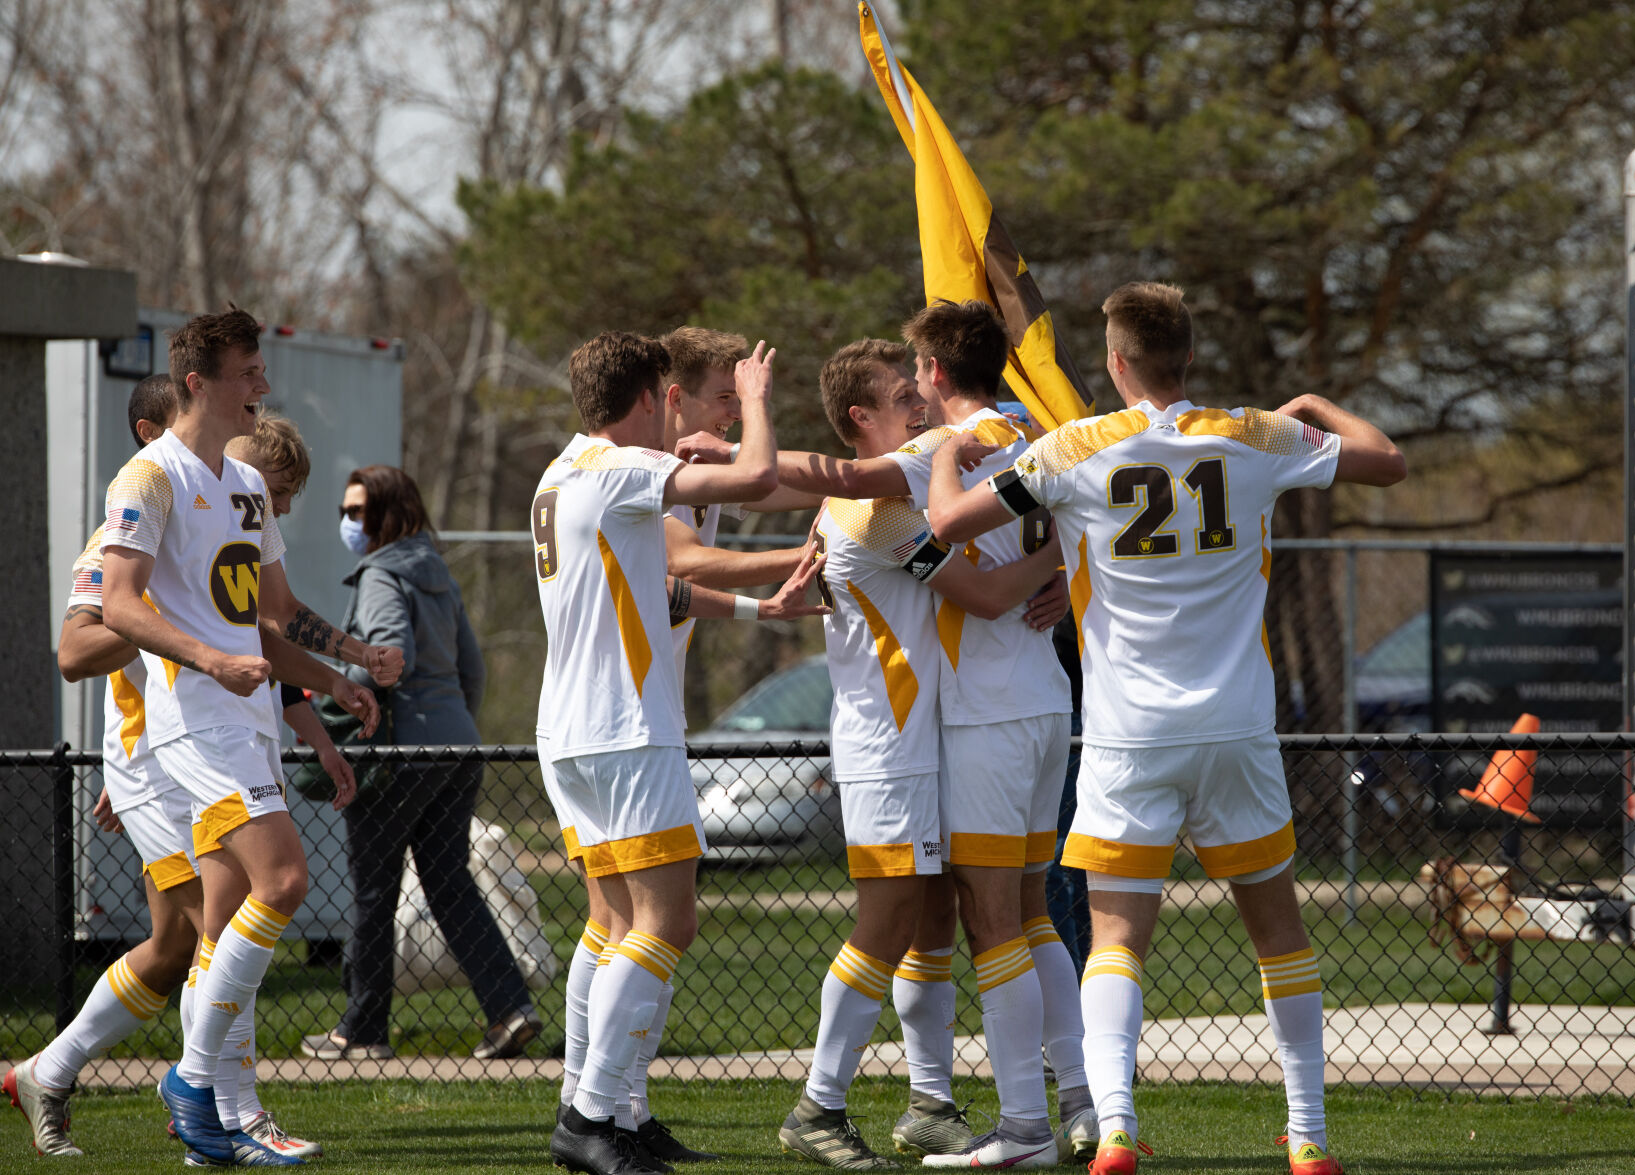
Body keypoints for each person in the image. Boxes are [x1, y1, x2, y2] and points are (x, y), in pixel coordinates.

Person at [925, 282, 1406, 1175]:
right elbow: (1385, 458)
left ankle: (1115, 1130)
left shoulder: (1075, 448)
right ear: (1188, 357)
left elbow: (949, 523)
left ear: (1113, 364)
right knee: (1279, 936)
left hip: (1125, 736)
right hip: (1236, 730)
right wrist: (1311, 406)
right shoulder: (1253, 434)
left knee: (1115, 943)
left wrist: (952, 451)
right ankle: (1307, 1138)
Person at [705, 302, 1088, 1167]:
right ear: (860, 421)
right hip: (890, 745)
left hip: (931, 738)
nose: (916, 403)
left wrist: (1059, 560)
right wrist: (1060, 557)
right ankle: (819, 1105)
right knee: (889, 924)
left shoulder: (920, 482)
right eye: (895, 395)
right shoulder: (883, 509)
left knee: (938, 920)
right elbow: (973, 586)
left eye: (916, 385)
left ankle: (930, 1100)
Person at [6, 377, 368, 1164]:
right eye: (263, 490)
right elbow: (76, 652)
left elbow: (262, 637)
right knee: (224, 924)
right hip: (157, 765)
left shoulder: (226, 518)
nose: (261, 510)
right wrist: (175, 626)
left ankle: (50, 1070)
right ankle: (226, 1112)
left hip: (200, 746)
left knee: (178, 947)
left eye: (275, 499)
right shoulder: (129, 528)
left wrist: (331, 696)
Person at [98, 308, 404, 1165]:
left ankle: (223, 1124)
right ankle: (194, 1079)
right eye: (248, 372)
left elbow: (266, 619)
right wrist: (209, 661)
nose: (263, 387)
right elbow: (117, 605)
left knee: (229, 919)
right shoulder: (148, 477)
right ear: (198, 382)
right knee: (286, 879)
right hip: (195, 724)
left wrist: (336, 676)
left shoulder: (242, 487)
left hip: (246, 722)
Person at [538, 332, 828, 1175]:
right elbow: (757, 480)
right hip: (626, 727)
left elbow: (654, 584)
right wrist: (761, 399)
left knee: (614, 924)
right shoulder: (621, 468)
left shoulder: (560, 471)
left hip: (574, 731)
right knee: (668, 921)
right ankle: (591, 1116)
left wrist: (753, 610)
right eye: (680, 395)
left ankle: (607, 1108)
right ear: (645, 399)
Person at [294, 463, 543, 1064]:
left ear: (385, 513)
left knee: (374, 890)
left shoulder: (381, 574)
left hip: (400, 755)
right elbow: (473, 668)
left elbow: (387, 653)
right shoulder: (436, 571)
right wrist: (456, 724)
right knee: (451, 884)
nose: (347, 523)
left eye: (356, 512)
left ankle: (362, 1030)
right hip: (456, 749)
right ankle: (511, 1009)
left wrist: (329, 687)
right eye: (344, 512)